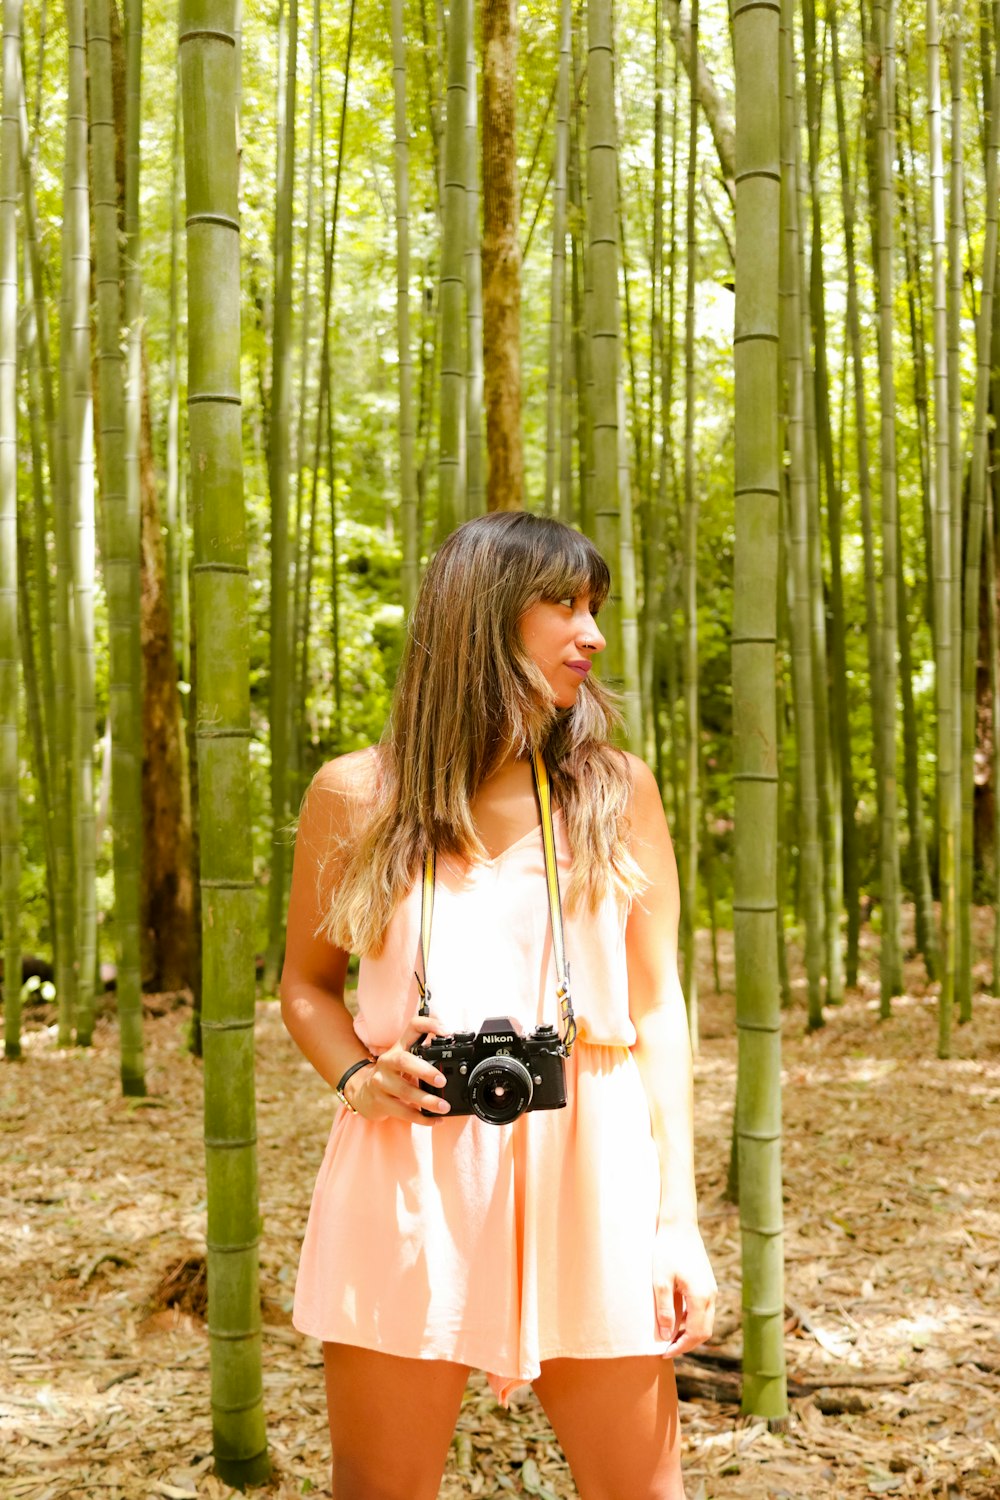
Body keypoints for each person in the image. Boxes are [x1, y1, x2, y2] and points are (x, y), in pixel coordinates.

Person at [280, 512, 717, 1500]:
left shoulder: (615, 792)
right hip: (412, 1161)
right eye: (561, 604)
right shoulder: (356, 795)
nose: (591, 634)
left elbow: (659, 1009)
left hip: (592, 1158)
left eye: (593, 606)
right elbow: (304, 989)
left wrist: (676, 1220)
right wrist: (357, 1075)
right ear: (481, 619)